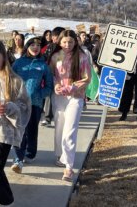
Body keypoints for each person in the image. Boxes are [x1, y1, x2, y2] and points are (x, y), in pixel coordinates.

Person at [0, 41, 30, 206]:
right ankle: (6, 198)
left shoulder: (15, 81)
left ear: (4, 56)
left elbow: (25, 107)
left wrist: (9, 107)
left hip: (3, 133)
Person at [49, 30, 92, 182]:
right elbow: (52, 75)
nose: (67, 45)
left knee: (70, 131)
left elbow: (87, 78)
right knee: (60, 128)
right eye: (64, 42)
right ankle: (60, 156)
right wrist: (55, 86)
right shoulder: (55, 57)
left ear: (76, 42)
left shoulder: (82, 57)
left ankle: (69, 166)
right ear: (59, 42)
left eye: (71, 42)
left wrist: (71, 88)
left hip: (75, 97)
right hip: (59, 97)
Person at [11, 36, 53, 172]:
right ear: (27, 47)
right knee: (19, 130)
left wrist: (40, 94)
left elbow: (49, 86)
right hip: (19, 103)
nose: (35, 48)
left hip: (35, 103)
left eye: (38, 46)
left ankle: (31, 152)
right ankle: (19, 158)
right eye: (32, 45)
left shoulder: (43, 65)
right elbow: (10, 81)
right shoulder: (18, 63)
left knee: (31, 130)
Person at [40, 26, 65, 127]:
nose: (53, 38)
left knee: (52, 96)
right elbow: (45, 57)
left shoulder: (63, 48)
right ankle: (47, 116)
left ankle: (48, 116)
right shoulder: (51, 46)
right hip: (51, 73)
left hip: (60, 75)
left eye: (54, 36)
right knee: (49, 96)